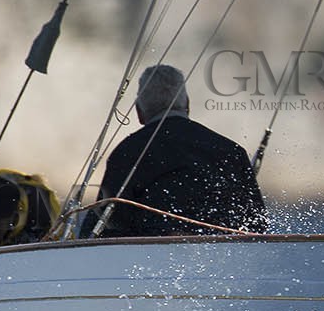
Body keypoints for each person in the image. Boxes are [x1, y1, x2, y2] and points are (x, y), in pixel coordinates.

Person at [88, 64, 268, 237]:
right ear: (187, 104)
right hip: (226, 258)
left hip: (149, 260)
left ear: (139, 112)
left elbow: (105, 226)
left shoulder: (127, 153)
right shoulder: (231, 151)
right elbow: (257, 225)